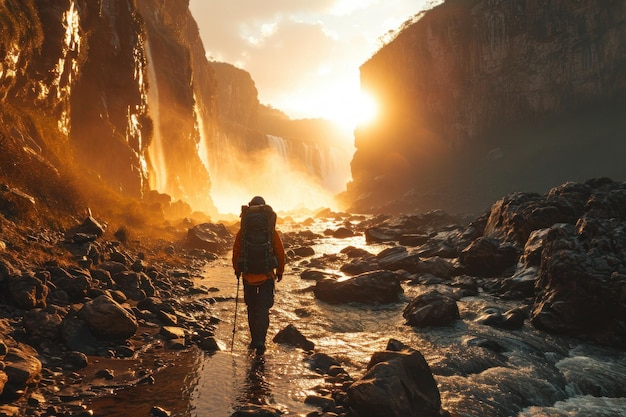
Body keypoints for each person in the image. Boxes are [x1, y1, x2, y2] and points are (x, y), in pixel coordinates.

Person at [232, 196, 285, 355]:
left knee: (251, 308)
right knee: (263, 309)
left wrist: (237, 270)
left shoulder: (243, 231)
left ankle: (254, 340)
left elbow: (236, 251)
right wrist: (280, 271)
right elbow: (280, 252)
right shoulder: (270, 230)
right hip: (267, 275)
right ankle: (261, 341)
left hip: (248, 275)